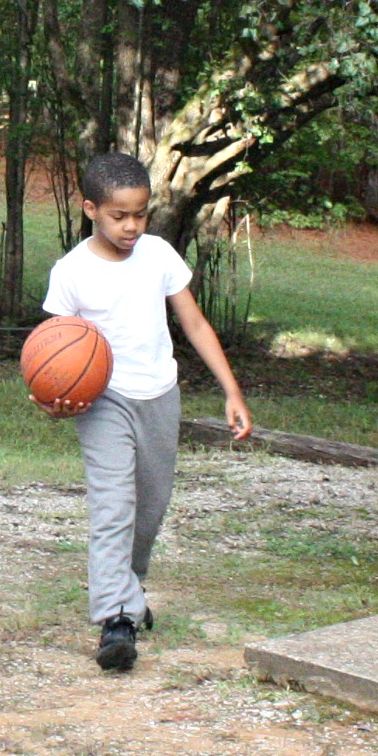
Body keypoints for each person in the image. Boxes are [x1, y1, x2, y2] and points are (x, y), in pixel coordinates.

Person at [42, 151, 253, 673]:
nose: (132, 225)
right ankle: (116, 619)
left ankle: (128, 587)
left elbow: (196, 325)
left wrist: (231, 391)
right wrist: (51, 399)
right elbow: (50, 351)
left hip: (160, 394)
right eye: (120, 216)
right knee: (114, 505)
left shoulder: (158, 256)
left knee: (150, 508)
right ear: (91, 208)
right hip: (103, 400)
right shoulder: (71, 272)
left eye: (141, 214)